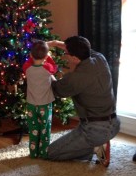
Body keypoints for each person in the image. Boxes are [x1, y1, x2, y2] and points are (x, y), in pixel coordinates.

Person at [46, 36, 120, 167]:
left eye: (66, 53)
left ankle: (96, 147)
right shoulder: (100, 59)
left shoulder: (75, 78)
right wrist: (57, 43)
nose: (65, 55)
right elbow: (87, 50)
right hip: (113, 123)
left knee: (51, 153)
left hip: (94, 130)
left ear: (74, 58)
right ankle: (98, 143)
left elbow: (55, 89)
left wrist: (46, 69)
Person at [23, 40, 57, 159]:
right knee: (45, 129)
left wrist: (32, 56)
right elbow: (54, 67)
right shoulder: (48, 68)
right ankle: (43, 153)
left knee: (33, 129)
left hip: (31, 104)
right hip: (45, 105)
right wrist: (48, 57)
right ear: (46, 56)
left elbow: (28, 62)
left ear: (31, 55)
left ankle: (33, 153)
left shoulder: (27, 68)